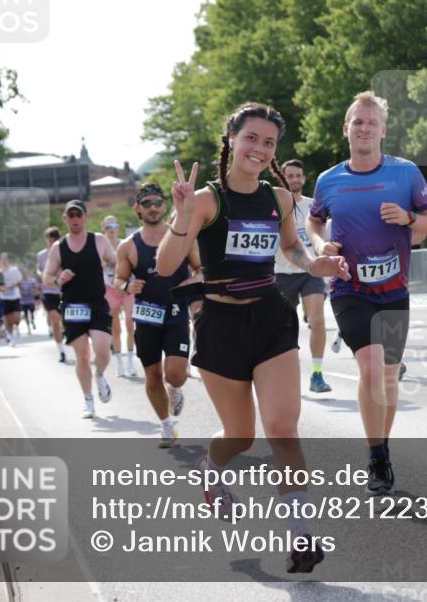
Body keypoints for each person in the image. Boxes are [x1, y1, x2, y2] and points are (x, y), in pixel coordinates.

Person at [157, 102, 348, 573]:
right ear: (231, 139)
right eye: (251, 139)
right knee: (240, 436)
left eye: (269, 143)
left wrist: (313, 264)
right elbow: (165, 267)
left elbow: (289, 246)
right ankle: (210, 468)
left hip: (270, 319)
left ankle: (301, 537)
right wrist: (182, 216)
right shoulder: (204, 200)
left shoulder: (279, 199)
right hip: (221, 327)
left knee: (282, 428)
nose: (259, 149)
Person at [307, 90, 427, 496]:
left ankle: (382, 446)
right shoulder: (329, 180)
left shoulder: (406, 174)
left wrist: (409, 217)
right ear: (346, 128)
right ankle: (376, 456)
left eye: (372, 122)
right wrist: (321, 247)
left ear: (383, 130)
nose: (365, 128)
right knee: (370, 367)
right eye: (358, 121)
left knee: (387, 375)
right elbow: (314, 224)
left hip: (394, 289)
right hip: (349, 287)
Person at [115, 183, 200, 448]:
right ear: (137, 209)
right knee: (152, 375)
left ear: (165, 206)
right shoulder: (128, 246)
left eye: (157, 203)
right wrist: (127, 286)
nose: (153, 208)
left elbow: (200, 269)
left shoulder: (182, 236)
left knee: (175, 374)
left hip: (175, 314)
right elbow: (118, 278)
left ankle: (175, 390)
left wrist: (193, 282)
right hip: (146, 317)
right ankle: (166, 425)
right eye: (147, 204)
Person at [41, 200, 116, 418]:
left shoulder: (99, 241)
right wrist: (57, 279)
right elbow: (46, 277)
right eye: (70, 215)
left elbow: (115, 261)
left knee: (102, 350)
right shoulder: (58, 248)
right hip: (73, 306)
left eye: (78, 214)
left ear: (84, 217)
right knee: (82, 354)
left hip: (97, 303)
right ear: (65, 219)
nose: (75, 218)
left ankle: (99, 375)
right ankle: (88, 400)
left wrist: (116, 271)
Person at [274, 159, 332, 393]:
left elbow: (323, 235)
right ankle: (284, 375)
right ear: (283, 178)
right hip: (282, 273)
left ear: (304, 179)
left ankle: (316, 375)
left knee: (318, 320)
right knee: (286, 328)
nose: (295, 179)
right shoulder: (275, 207)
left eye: (298, 175)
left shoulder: (313, 207)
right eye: (290, 176)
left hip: (311, 272)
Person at [103, 215, 137, 378]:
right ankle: (119, 363)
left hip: (127, 288)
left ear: (118, 228)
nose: (112, 229)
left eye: (114, 225)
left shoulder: (125, 244)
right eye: (108, 226)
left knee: (130, 325)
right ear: (104, 229)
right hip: (110, 290)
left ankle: (130, 362)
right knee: (115, 329)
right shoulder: (101, 247)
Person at [37, 227, 68, 363]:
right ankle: (61, 351)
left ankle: (65, 331)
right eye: (49, 238)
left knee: (64, 319)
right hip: (48, 291)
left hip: (63, 291)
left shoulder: (64, 252)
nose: (51, 241)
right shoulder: (41, 255)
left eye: (54, 238)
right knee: (55, 320)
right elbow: (39, 268)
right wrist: (42, 274)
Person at [0, 252, 23, 346]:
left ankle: (17, 327)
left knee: (16, 318)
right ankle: (11, 337)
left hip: (15, 297)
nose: (4, 262)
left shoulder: (14, 270)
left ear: (8, 260)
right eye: (2, 260)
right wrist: (1, 288)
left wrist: (15, 284)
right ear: (0, 261)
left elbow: (20, 280)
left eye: (6, 259)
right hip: (4, 298)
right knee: (8, 320)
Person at [18, 268, 37, 335]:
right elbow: (17, 289)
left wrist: (32, 291)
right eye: (22, 273)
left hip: (31, 300)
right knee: (25, 315)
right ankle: (28, 328)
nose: (24, 274)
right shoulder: (20, 281)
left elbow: (35, 288)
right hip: (23, 301)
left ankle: (32, 321)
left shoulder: (31, 280)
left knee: (32, 313)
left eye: (25, 273)